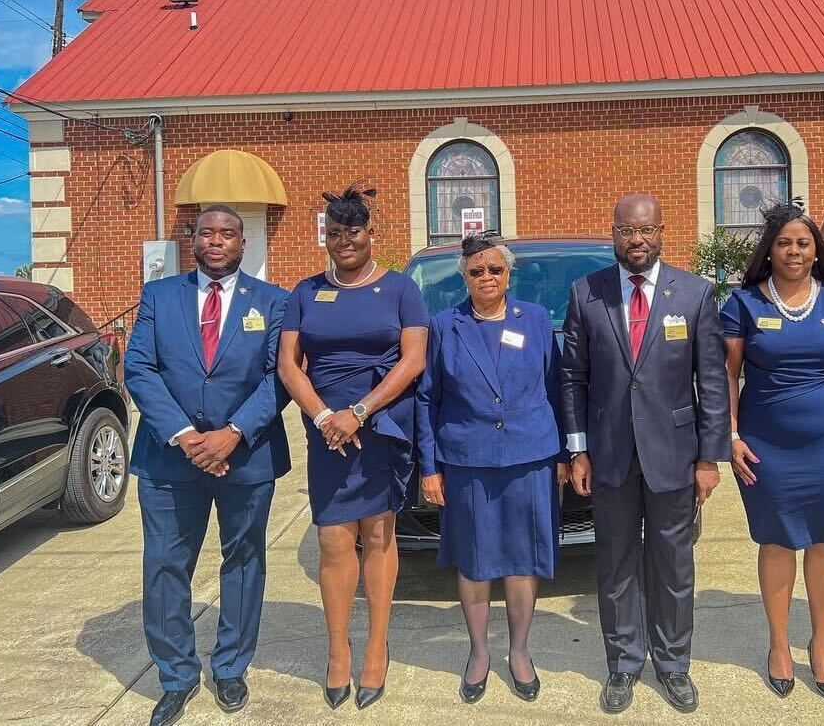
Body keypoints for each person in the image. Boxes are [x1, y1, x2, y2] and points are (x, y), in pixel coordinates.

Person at [560, 193, 730, 715]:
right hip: (608, 454)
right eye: (626, 232)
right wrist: (577, 450)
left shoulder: (696, 294)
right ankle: (624, 663)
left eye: (646, 231)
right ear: (614, 234)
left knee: (673, 564)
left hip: (675, 455)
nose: (637, 241)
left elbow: (712, 381)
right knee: (615, 563)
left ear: (661, 232)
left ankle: (674, 663)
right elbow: (572, 378)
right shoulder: (586, 292)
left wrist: (708, 458)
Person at [125, 204, 291, 726]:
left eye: (227, 234)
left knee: (243, 562)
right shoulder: (159, 296)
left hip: (246, 456)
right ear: (192, 241)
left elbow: (279, 377)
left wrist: (232, 433)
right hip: (170, 458)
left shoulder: (274, 301)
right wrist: (188, 437)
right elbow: (140, 368)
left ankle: (230, 666)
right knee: (165, 567)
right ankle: (175, 676)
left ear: (243, 245)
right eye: (206, 233)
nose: (216, 241)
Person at [277, 184, 428, 711]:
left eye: (354, 232)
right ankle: (337, 649)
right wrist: (323, 416)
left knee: (379, 537)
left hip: (381, 425)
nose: (345, 242)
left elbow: (412, 361)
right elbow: (288, 365)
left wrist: (359, 412)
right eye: (335, 233)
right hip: (327, 433)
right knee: (335, 541)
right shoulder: (305, 291)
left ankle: (375, 646)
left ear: (371, 233)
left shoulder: (401, 288)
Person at [721, 203, 824, 703]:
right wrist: (730, 436)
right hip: (766, 443)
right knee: (775, 541)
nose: (793, 250)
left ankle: (821, 645)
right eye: (784, 242)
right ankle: (778, 644)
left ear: (816, 252)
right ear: (769, 250)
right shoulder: (743, 303)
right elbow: (727, 375)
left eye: (803, 242)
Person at [415, 232, 569, 705]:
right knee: (476, 560)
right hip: (468, 460)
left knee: (523, 558)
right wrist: (429, 466)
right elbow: (427, 398)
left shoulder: (537, 320)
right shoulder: (444, 325)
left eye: (495, 269)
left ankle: (520, 652)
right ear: (464, 276)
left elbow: (557, 387)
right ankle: (479, 651)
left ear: (508, 274)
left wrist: (564, 452)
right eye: (476, 271)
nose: (486, 277)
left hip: (529, 457)